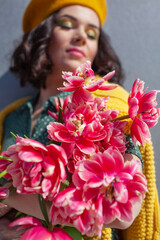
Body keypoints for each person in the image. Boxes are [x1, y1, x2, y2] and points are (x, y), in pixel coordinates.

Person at [0, 0, 159, 239]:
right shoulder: (10, 116)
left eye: (92, 33)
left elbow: (122, 213)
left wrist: (10, 198)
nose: (81, 37)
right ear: (41, 36)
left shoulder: (112, 105)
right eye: (66, 24)